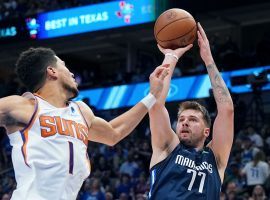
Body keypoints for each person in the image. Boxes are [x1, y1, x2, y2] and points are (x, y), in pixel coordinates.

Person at [0, 47, 169, 200]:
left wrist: (152, 95)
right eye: (65, 66)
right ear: (52, 71)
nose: (72, 73)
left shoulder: (81, 111)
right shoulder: (23, 106)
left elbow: (113, 133)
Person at [148, 23, 234, 199]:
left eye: (193, 119)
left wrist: (208, 59)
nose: (185, 122)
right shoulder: (167, 148)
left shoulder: (215, 158)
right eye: (181, 119)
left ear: (206, 131)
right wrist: (171, 56)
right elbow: (156, 104)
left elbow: (226, 110)